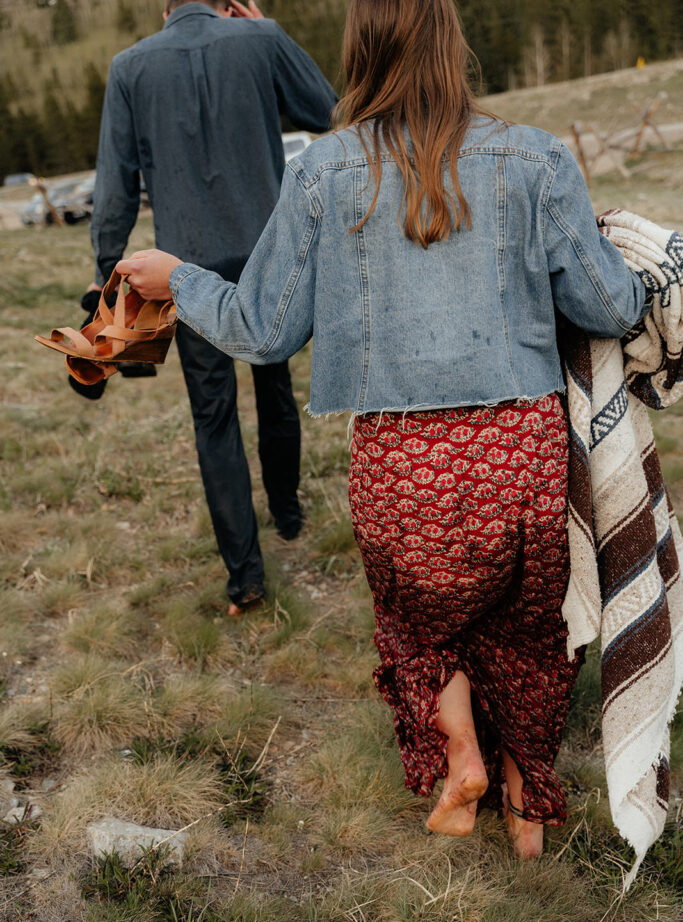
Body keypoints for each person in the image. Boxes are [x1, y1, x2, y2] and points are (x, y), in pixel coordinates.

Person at [115, 0, 650, 856]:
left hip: (402, 460)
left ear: (359, 51)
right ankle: (526, 798)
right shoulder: (533, 156)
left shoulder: (321, 174)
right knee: (526, 626)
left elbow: (261, 329)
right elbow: (609, 305)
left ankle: (464, 760)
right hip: (518, 445)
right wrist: (621, 246)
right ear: (453, 47)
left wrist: (179, 276)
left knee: (416, 622)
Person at [87, 0, 337, 614]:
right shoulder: (260, 38)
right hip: (267, 256)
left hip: (183, 272)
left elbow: (115, 184)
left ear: (160, 5)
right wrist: (262, 35)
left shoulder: (129, 67)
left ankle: (246, 577)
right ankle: (288, 513)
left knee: (213, 416)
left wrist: (105, 274)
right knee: (275, 387)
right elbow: (330, 112)